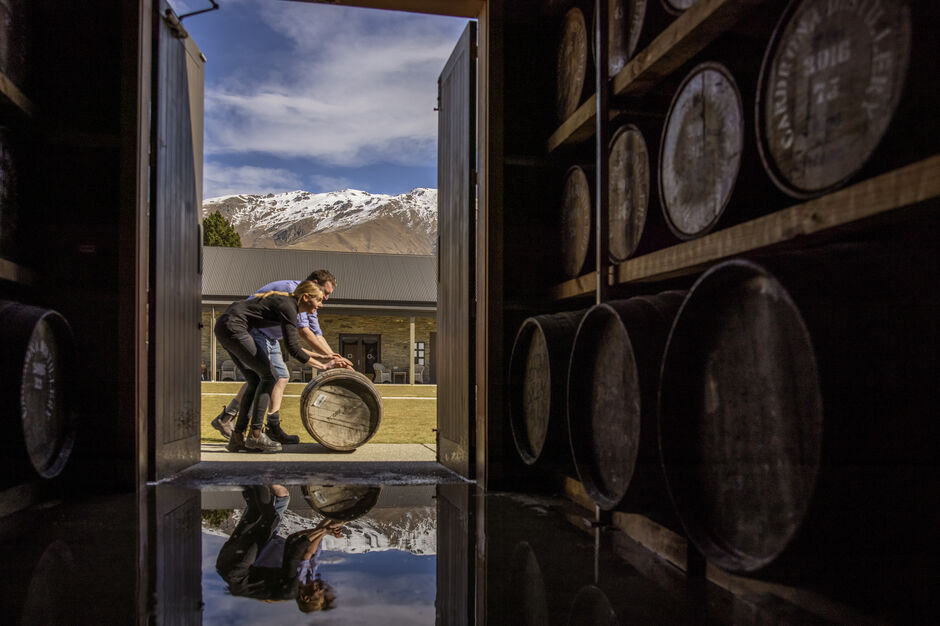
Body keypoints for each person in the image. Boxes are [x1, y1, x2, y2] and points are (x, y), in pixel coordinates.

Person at [211, 269, 352, 444]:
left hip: (233, 326)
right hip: (242, 329)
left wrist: (329, 356)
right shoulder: (289, 305)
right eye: (322, 296)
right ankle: (255, 435)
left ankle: (238, 436)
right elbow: (295, 345)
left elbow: (304, 340)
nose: (322, 303)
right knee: (269, 377)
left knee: (260, 379)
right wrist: (322, 366)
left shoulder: (294, 303)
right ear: (309, 293)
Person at [215, 484, 345, 611]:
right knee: (255, 511)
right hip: (224, 568)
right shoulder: (296, 584)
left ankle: (258, 477)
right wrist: (330, 525)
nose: (321, 589)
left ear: (306, 598)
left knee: (270, 518)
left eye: (319, 595)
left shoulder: (291, 589)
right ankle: (247, 479)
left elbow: (297, 552)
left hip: (237, 570)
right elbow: (294, 542)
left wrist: (324, 530)